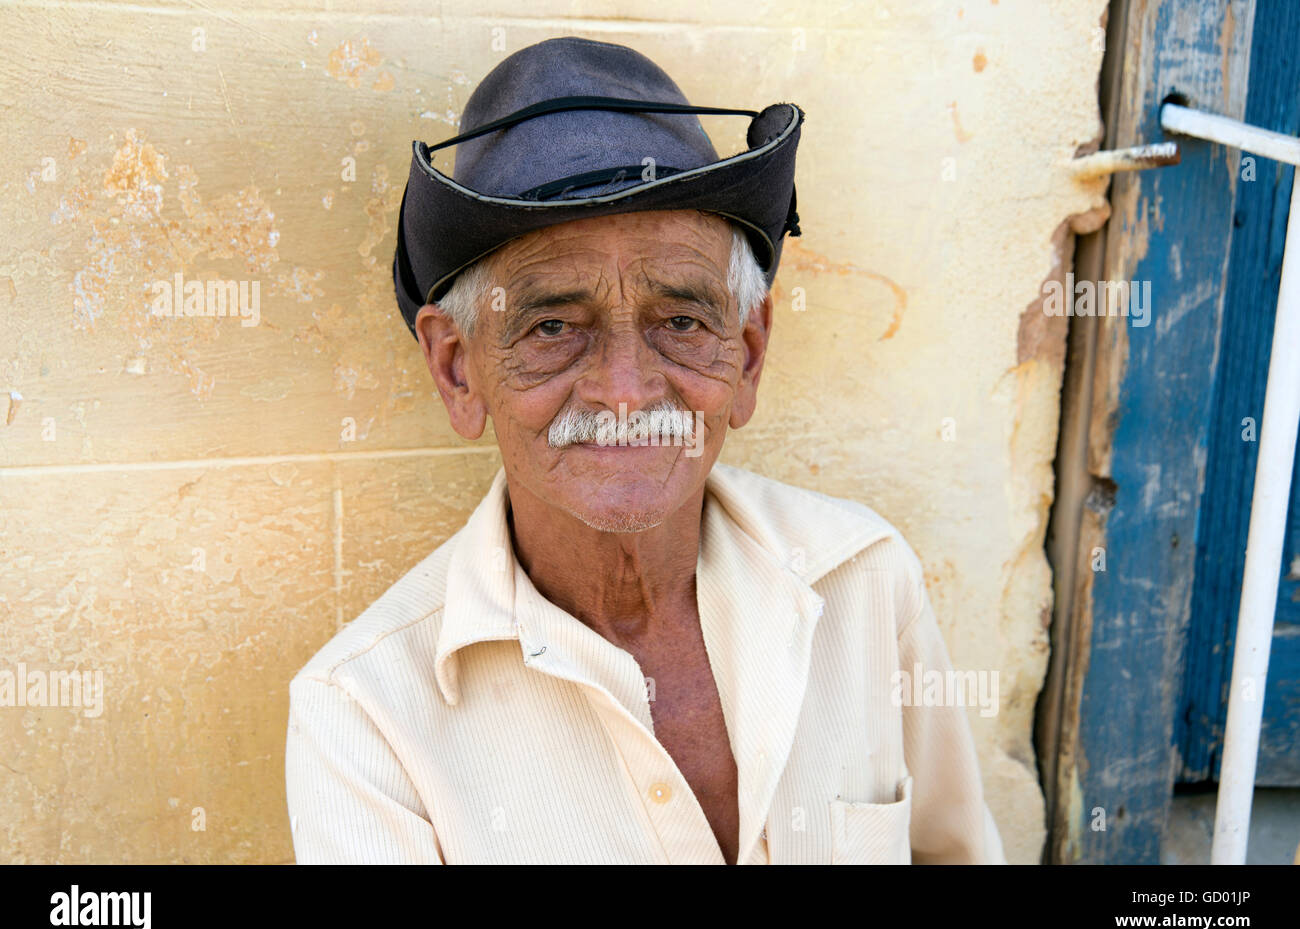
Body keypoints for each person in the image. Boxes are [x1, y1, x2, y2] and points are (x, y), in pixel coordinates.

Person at [285, 35, 1005, 865]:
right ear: (457, 370)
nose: (626, 391)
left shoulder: (867, 581)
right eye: (553, 326)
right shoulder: (365, 719)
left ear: (749, 352)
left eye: (681, 322)